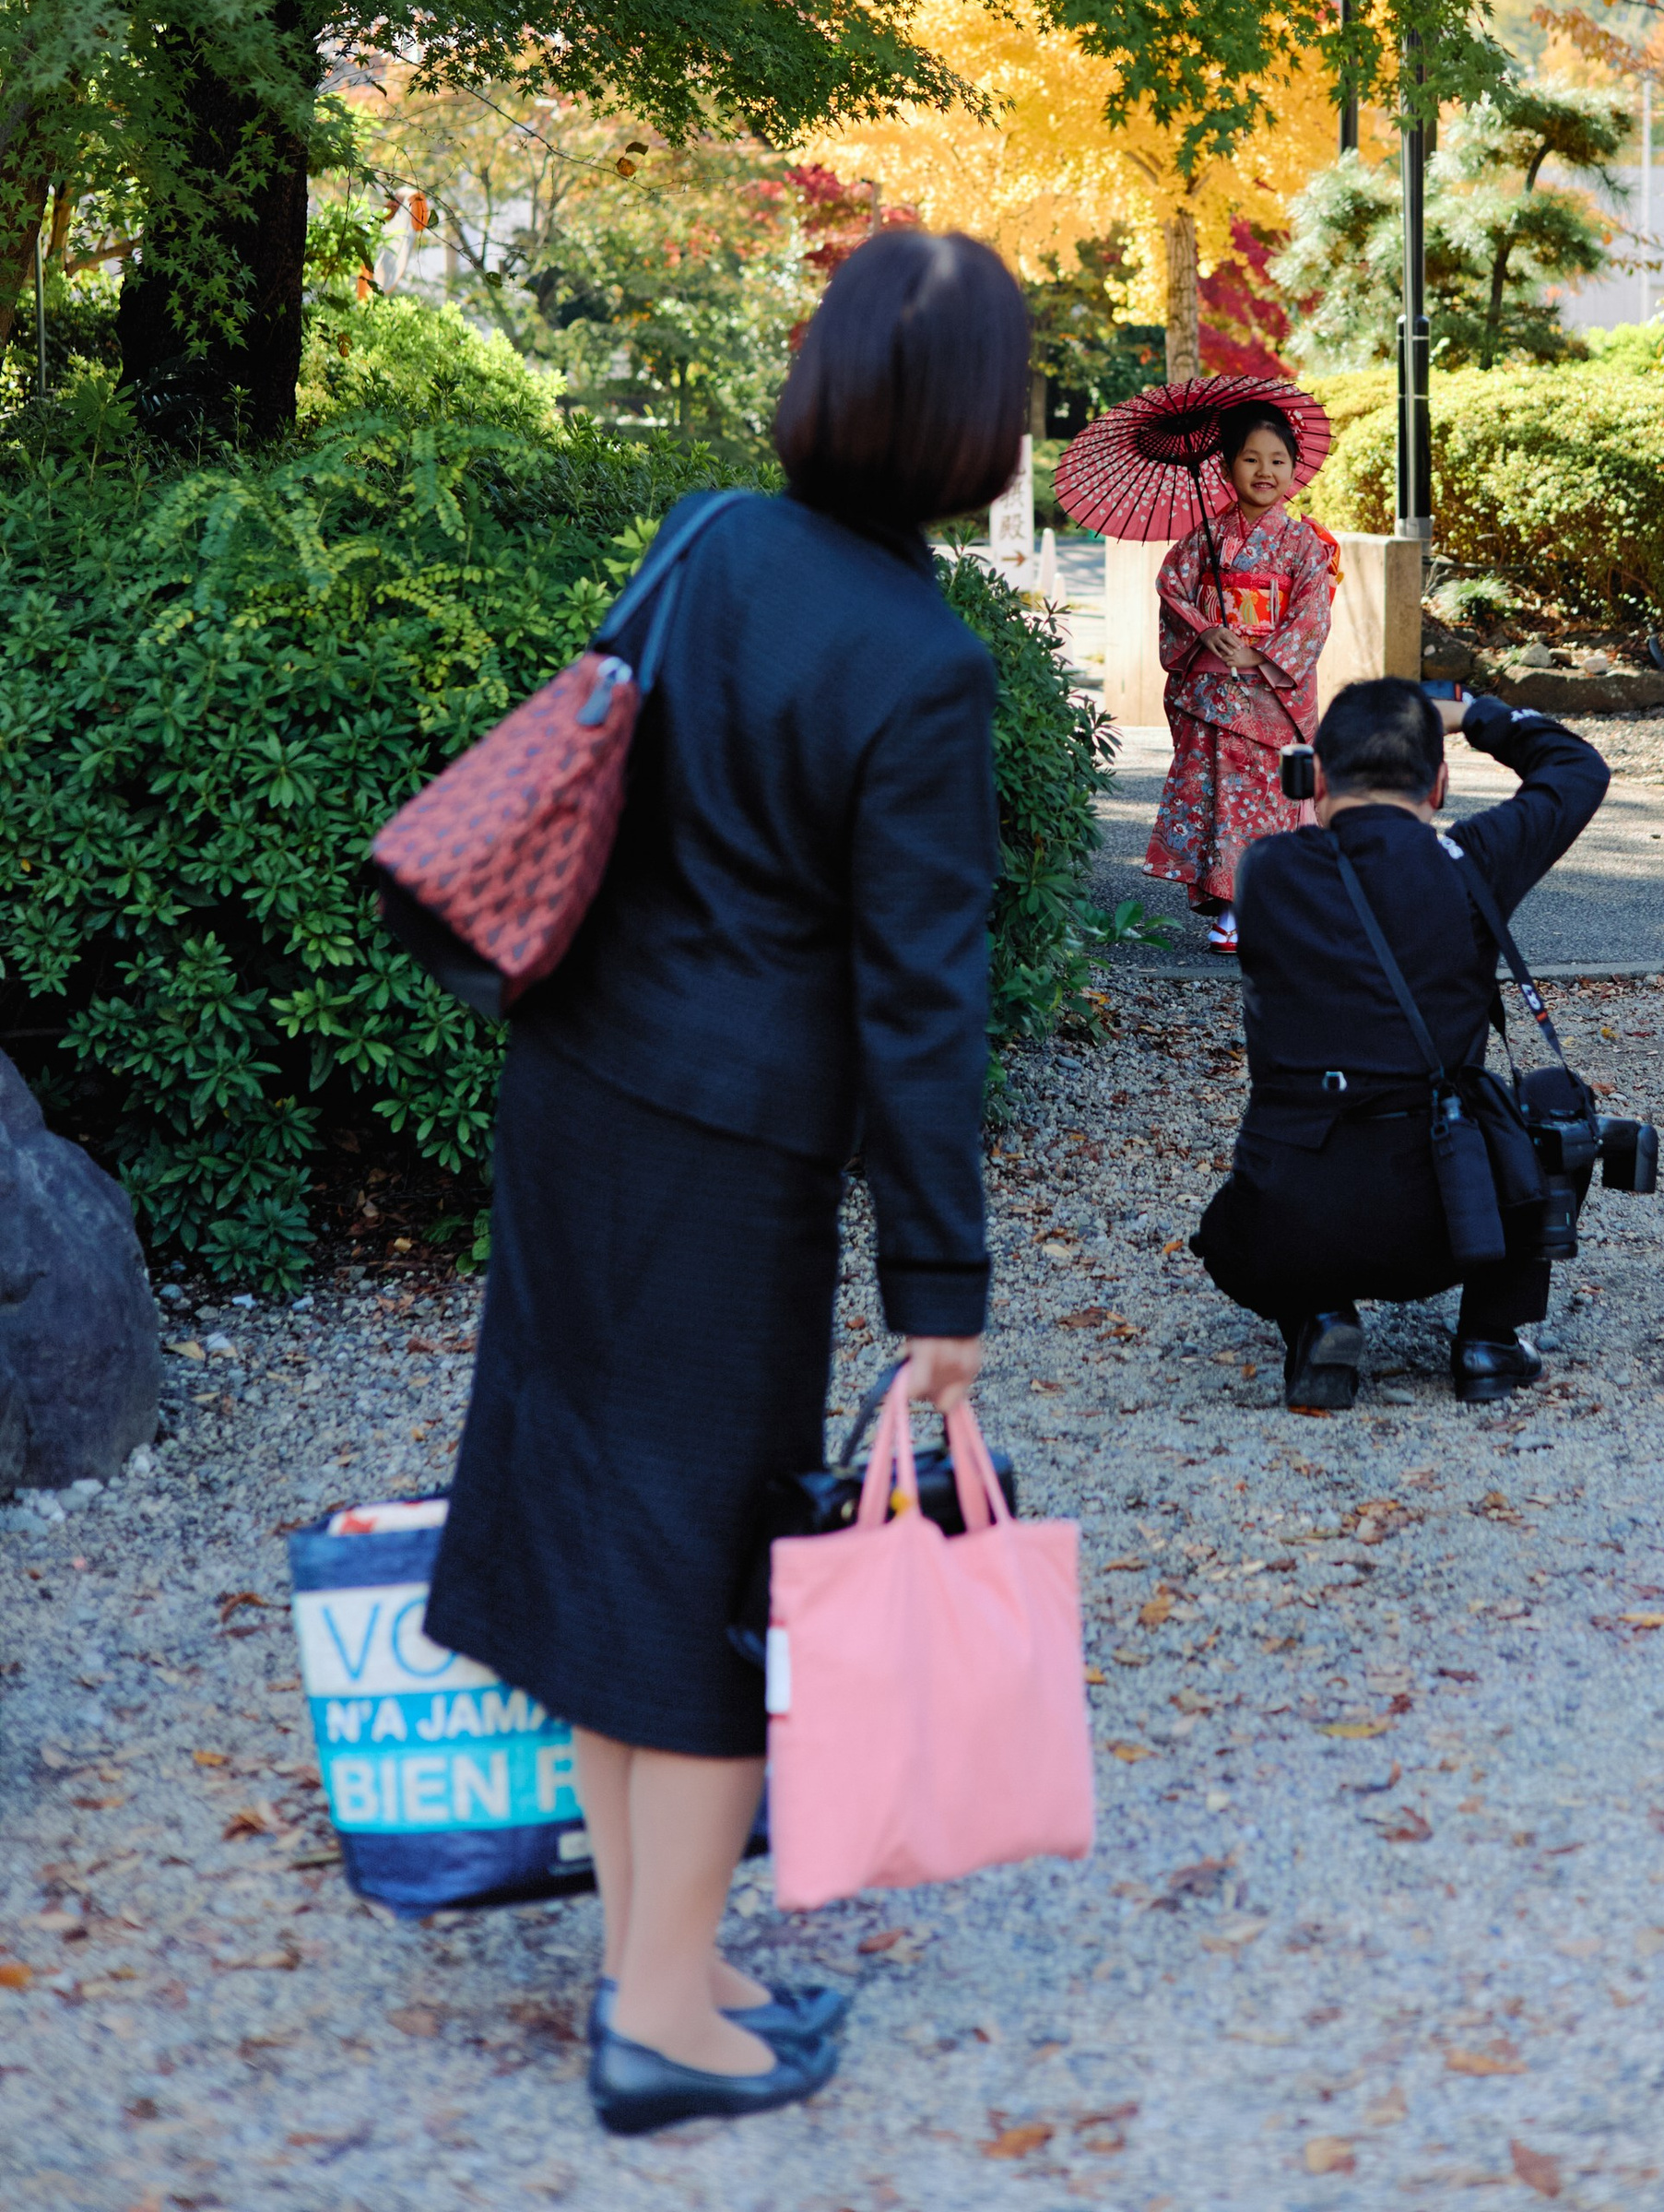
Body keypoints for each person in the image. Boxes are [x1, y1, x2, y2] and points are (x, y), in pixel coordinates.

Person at [426, 228, 1027, 2135]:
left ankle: (649, 1959)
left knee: (612, 1530)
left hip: (576, 1083)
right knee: (696, 1577)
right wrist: (941, 1295)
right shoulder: (921, 665)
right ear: (975, 433)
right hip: (728, 1151)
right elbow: (919, 1009)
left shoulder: (701, 539)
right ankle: (663, 2026)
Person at [1191, 675, 1609, 1408]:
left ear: (1314, 777)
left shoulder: (1265, 872)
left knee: (1232, 1229)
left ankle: (1316, 1317)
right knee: (1554, 1104)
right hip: (1455, 1218)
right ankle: (1489, 1337)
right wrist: (1476, 715)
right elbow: (1579, 769)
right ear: (1439, 785)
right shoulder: (1472, 863)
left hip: (1286, 1221)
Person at [1145, 396, 1339, 952]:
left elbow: (1311, 615)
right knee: (1216, 797)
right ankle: (1229, 910)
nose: (1264, 472)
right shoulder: (1203, 537)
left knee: (1269, 798)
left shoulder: (1303, 543)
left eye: (1278, 460)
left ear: (1294, 468)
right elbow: (1172, 590)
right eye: (1250, 459)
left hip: (1270, 692)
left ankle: (1272, 904)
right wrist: (1207, 630)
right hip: (1210, 687)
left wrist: (1259, 654)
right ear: (1228, 466)